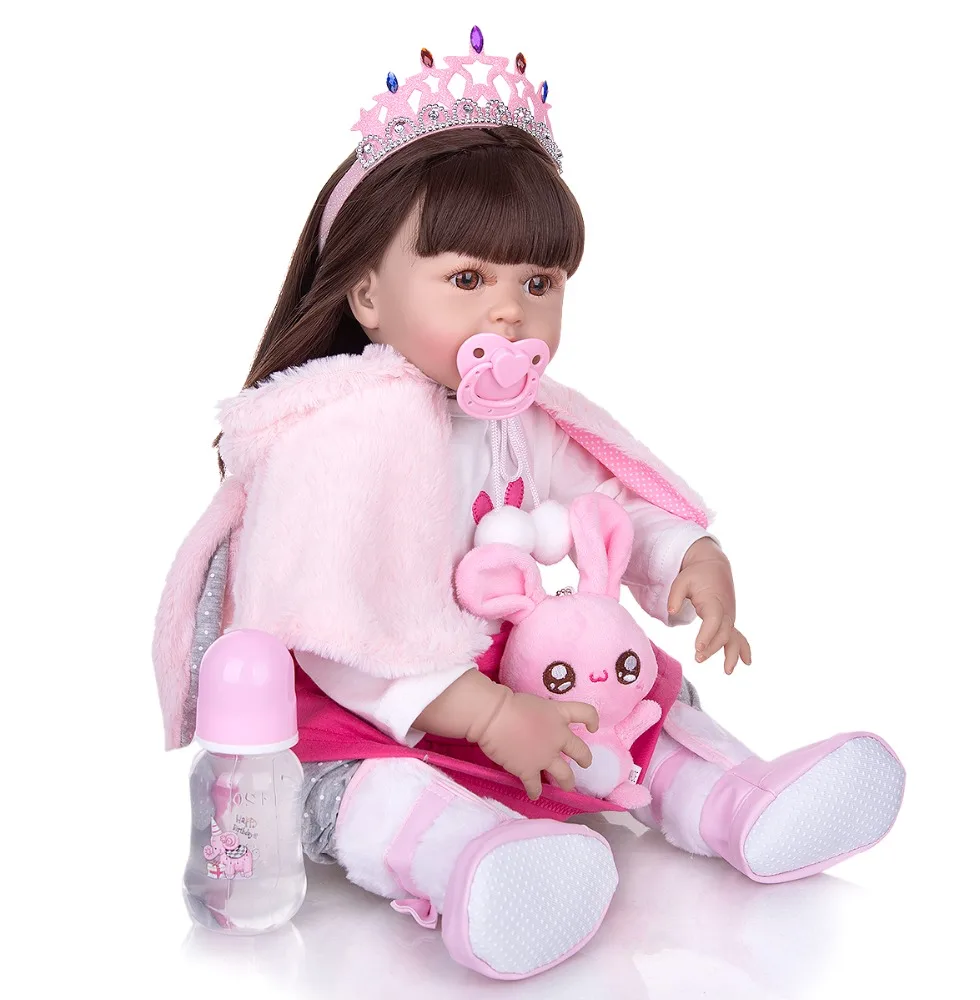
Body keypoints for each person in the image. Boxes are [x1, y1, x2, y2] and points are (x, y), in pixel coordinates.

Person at [152, 27, 905, 981]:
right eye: (468, 279)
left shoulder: (522, 419)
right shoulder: (339, 434)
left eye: (538, 283)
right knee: (373, 792)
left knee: (633, 698)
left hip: (510, 679)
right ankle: (472, 865)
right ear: (368, 295)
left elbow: (603, 496)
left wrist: (684, 557)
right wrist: (483, 716)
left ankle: (738, 801)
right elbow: (337, 624)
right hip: (383, 701)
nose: (510, 311)